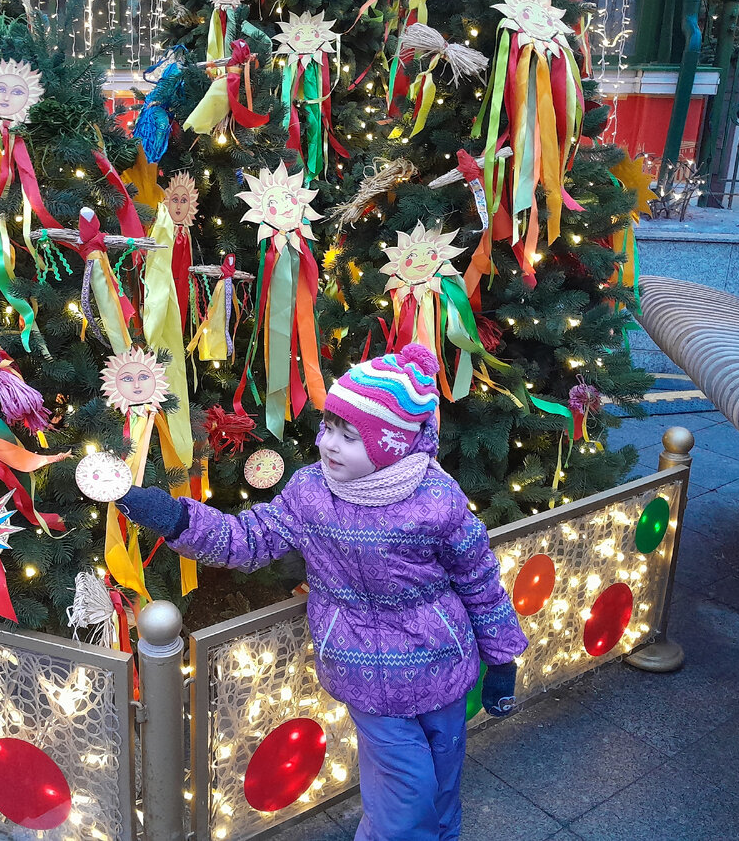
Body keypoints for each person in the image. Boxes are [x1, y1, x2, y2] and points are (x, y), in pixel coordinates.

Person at [111, 344, 529, 841]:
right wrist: (177, 517)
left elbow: (480, 581)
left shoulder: (437, 501)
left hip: (443, 664)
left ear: (391, 445)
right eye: (328, 428)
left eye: (349, 436)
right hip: (367, 673)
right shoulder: (311, 493)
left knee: (440, 779)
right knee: (404, 793)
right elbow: (250, 538)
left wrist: (501, 659)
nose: (328, 444)